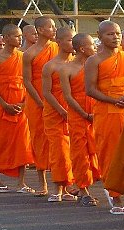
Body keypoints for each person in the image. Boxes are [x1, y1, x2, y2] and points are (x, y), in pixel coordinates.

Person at [85, 21, 124, 215]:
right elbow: (90, 89)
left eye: (117, 33)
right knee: (109, 153)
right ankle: (114, 194)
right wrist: (112, 100)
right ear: (100, 36)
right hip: (107, 112)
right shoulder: (94, 61)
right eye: (110, 34)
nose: (115, 37)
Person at [0, 24, 33, 193]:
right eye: (16, 36)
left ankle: (21, 182)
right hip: (2, 104)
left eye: (21, 36)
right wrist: (3, 104)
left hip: (21, 104)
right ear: (5, 39)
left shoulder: (23, 57)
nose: (20, 39)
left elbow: (29, 82)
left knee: (22, 143)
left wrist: (24, 103)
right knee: (0, 141)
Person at [60, 33, 101, 206]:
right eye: (92, 45)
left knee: (97, 150)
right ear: (82, 49)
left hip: (97, 112)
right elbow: (68, 97)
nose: (95, 48)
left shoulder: (97, 66)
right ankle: (83, 189)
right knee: (80, 154)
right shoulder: (66, 69)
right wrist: (84, 114)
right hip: (78, 115)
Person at [23, 16, 58, 196]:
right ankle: (42, 182)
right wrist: (39, 101)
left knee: (59, 141)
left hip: (57, 97)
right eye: (51, 27)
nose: (54, 29)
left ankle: (63, 183)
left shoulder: (58, 48)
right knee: (39, 139)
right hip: (37, 99)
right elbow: (27, 81)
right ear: (41, 30)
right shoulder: (30, 53)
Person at [41, 27, 76, 202]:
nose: (73, 43)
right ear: (59, 42)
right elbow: (47, 92)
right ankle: (58, 188)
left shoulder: (78, 64)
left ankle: (70, 186)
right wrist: (61, 110)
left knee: (74, 150)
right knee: (59, 150)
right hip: (55, 112)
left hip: (75, 111)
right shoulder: (50, 65)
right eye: (70, 40)